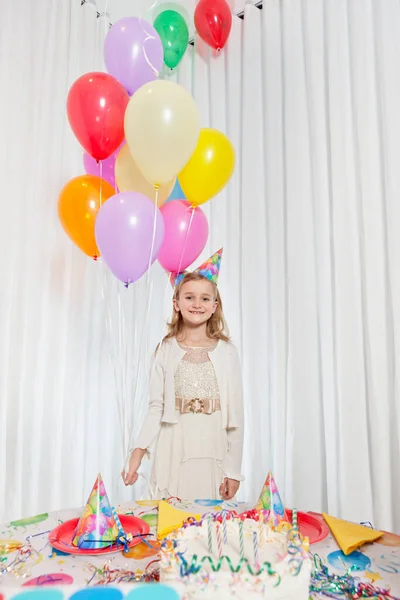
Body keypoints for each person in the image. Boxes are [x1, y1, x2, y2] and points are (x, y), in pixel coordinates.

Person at [122, 249, 244, 500]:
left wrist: (233, 470)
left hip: (211, 447)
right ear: (176, 304)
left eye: (205, 299)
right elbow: (156, 407)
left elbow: (236, 417)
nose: (197, 304)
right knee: (170, 520)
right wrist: (138, 449)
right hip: (174, 445)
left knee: (204, 523)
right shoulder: (165, 350)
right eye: (189, 297)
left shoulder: (227, 353)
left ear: (214, 306)